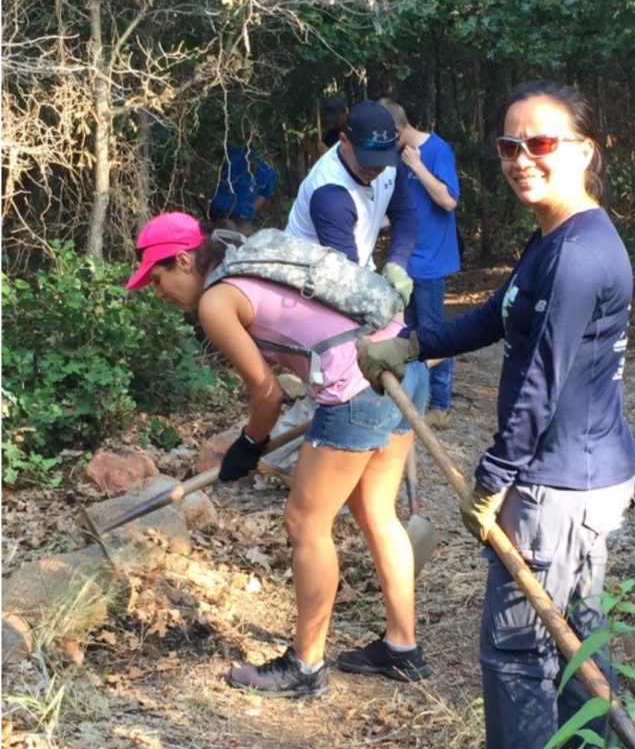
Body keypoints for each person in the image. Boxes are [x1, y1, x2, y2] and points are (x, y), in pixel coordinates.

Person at [357, 81, 635, 749]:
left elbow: (540, 387)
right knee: (572, 640)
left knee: (518, 653)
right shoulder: (553, 238)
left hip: (559, 485)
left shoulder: (581, 255)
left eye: (540, 143)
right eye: (509, 145)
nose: (521, 160)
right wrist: (416, 343)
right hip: (569, 477)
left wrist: (491, 483)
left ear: (584, 149)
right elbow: (500, 316)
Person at [124, 211, 430, 698]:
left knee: (305, 523)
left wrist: (248, 444)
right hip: (402, 363)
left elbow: (266, 394)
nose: (159, 294)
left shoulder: (218, 300)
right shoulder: (251, 264)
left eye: (157, 280)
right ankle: (401, 648)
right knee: (377, 512)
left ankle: (305, 668)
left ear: (182, 260)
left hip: (357, 388)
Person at [286, 99, 418, 307]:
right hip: (307, 285)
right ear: (344, 140)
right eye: (366, 159)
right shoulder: (330, 194)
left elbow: (404, 213)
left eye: (381, 160)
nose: (375, 169)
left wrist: (397, 262)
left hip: (354, 269)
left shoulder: (391, 163)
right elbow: (347, 273)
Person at [379, 99, 461, 429]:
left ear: (399, 130)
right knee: (404, 334)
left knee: (432, 334)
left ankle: (440, 406)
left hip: (430, 261)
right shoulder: (396, 158)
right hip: (403, 262)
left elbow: (448, 200)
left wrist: (417, 166)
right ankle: (414, 400)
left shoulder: (437, 149)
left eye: (388, 137)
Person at [209, 144, 279, 227]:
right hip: (240, 212)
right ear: (274, 155)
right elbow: (262, 197)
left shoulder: (236, 152)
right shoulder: (271, 171)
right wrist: (249, 212)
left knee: (215, 233)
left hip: (217, 204)